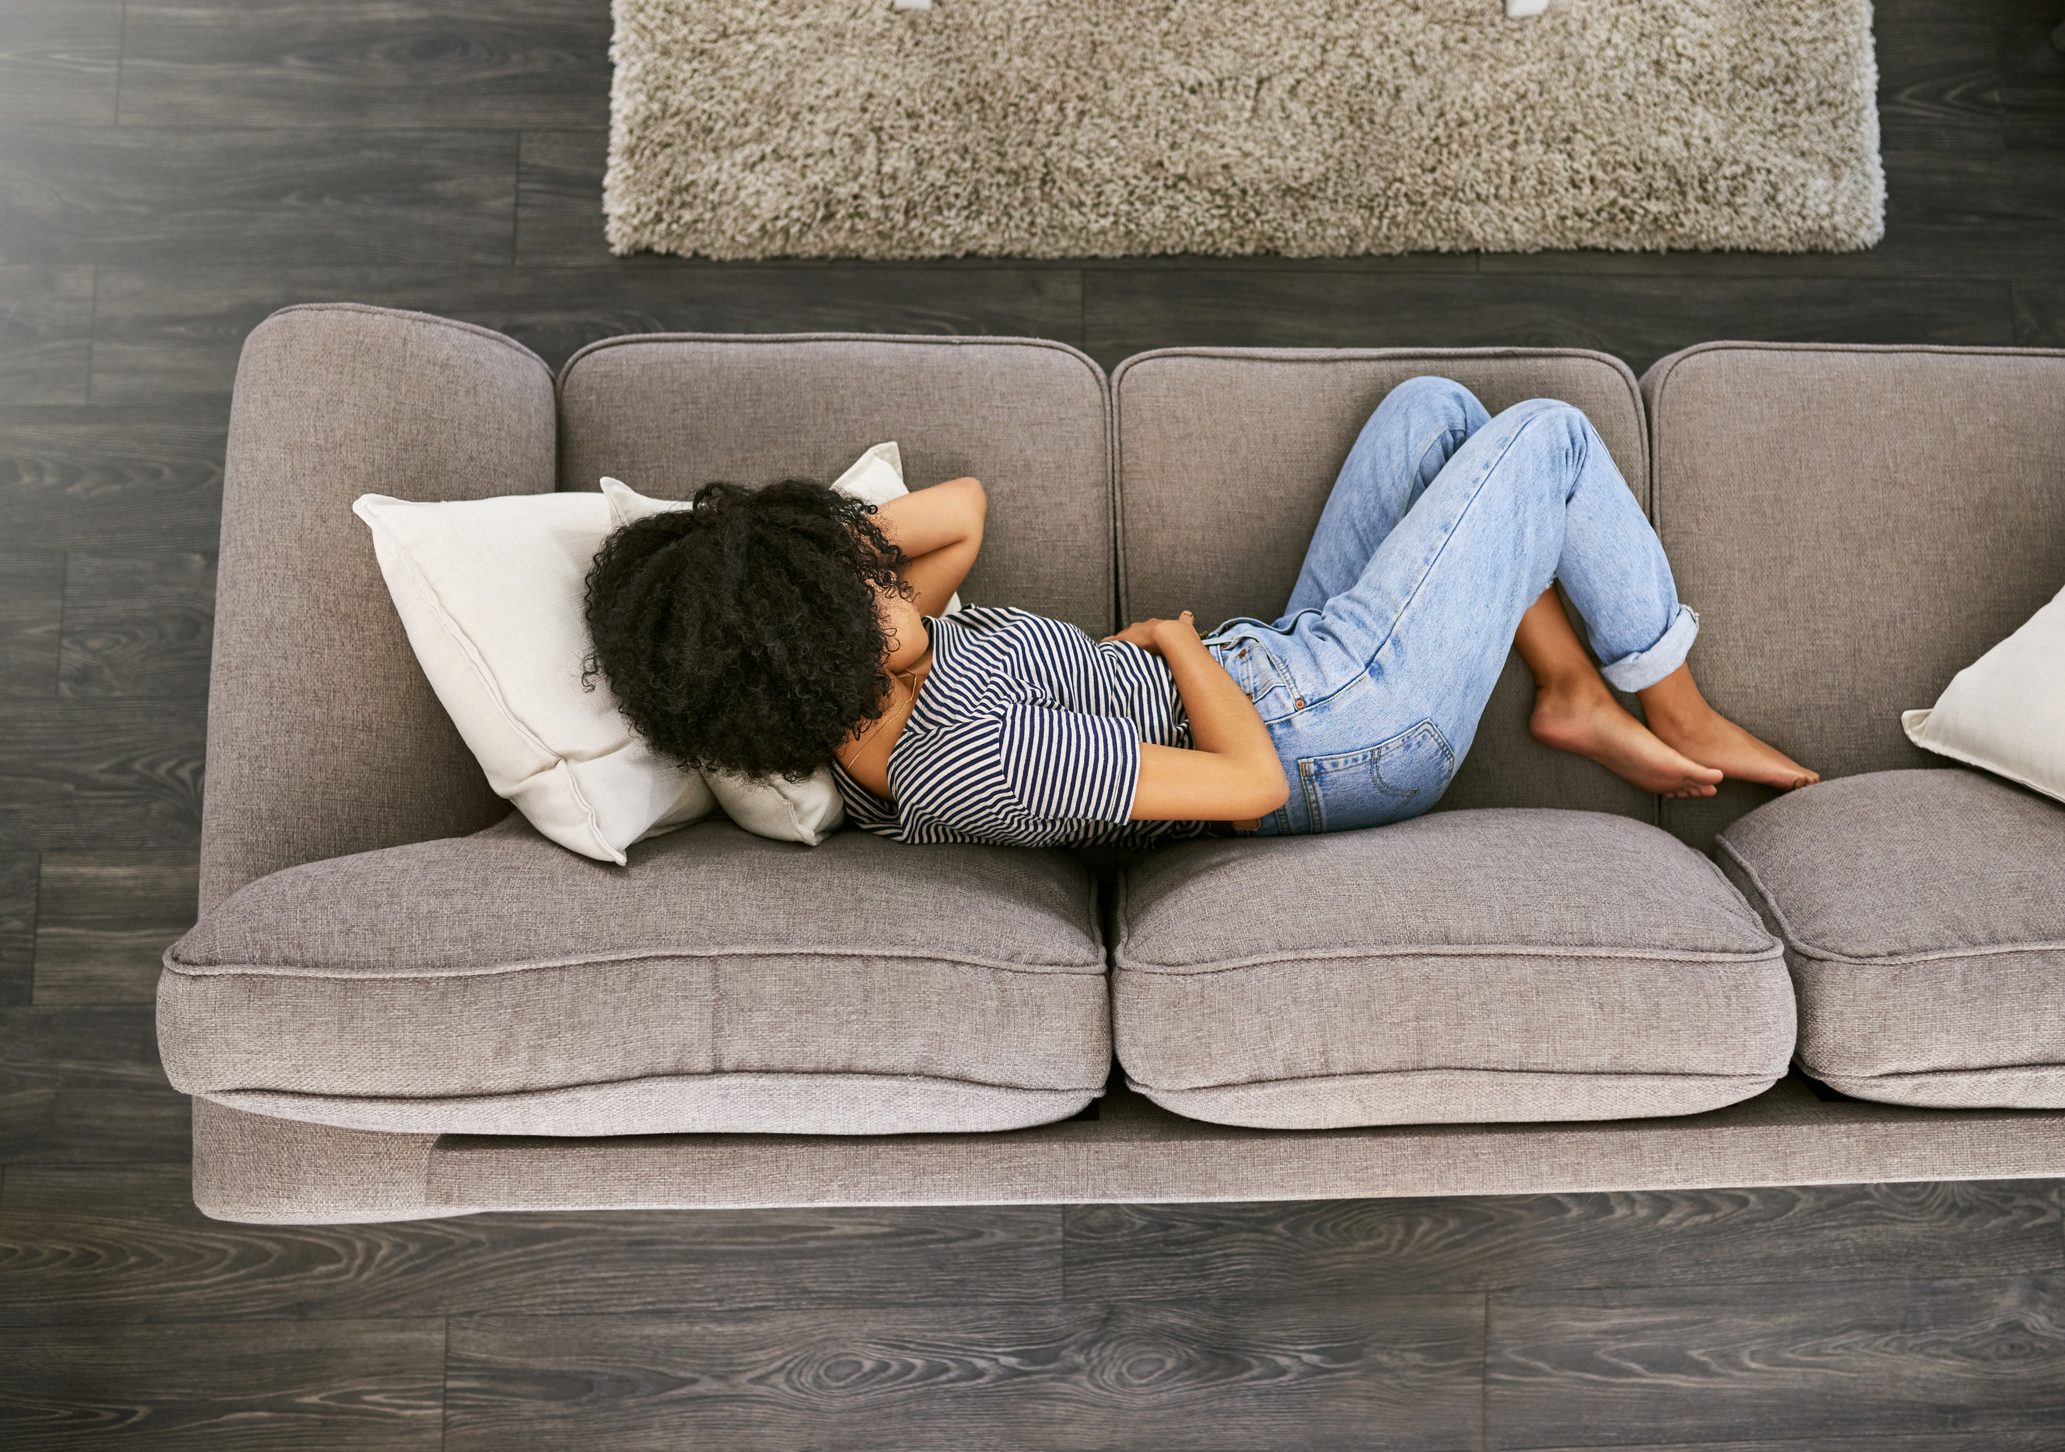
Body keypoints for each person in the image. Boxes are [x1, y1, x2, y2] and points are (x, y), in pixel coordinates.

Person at [583, 377, 1816, 848]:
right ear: (790, 667)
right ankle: (1683, 708)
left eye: (852, 568)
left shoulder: (880, 670)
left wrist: (776, 547)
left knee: (1432, 411)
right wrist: (1175, 643)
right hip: (1337, 735)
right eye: (841, 598)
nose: (880, 587)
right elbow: (1249, 790)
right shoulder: (959, 756)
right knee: (1545, 434)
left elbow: (957, 509)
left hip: (1283, 670)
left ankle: (1564, 692)